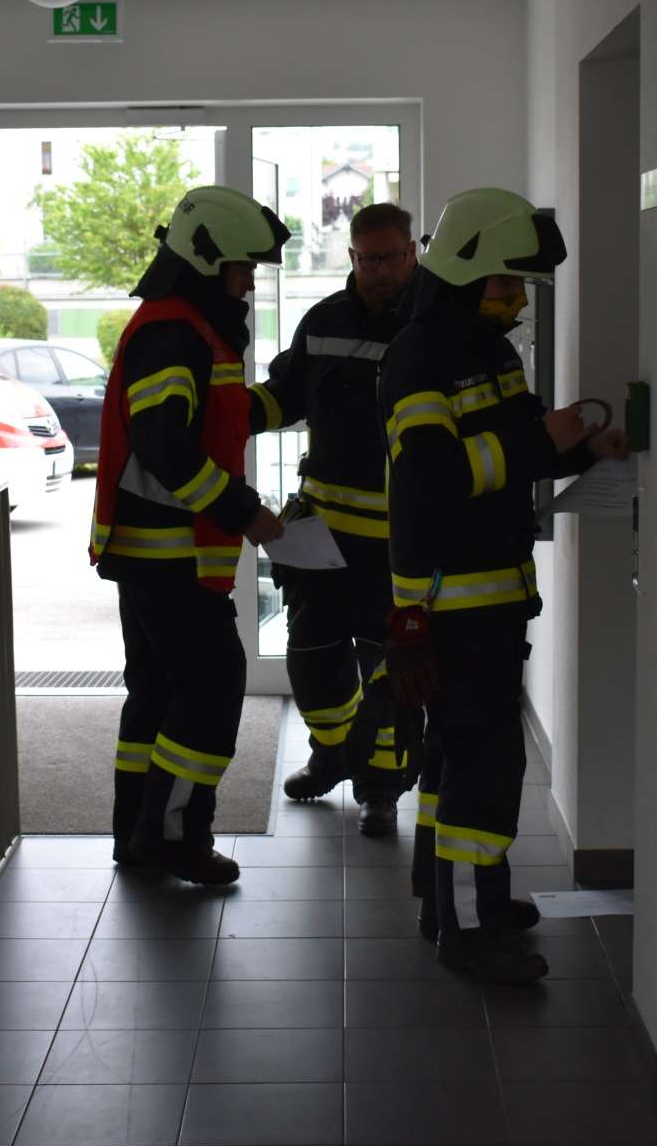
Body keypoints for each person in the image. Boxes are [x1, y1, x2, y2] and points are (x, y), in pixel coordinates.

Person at [381, 188, 626, 983]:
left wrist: (583, 447)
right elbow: (435, 475)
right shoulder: (418, 358)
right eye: (506, 282)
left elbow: (521, 451)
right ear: (464, 272)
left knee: (460, 757)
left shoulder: (490, 353)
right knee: (486, 766)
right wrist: (537, 439)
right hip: (452, 601)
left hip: (489, 594)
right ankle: (470, 929)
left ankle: (451, 899)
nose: (518, 298)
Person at [91, 187, 290, 885]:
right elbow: (165, 448)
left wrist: (298, 389)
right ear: (208, 261)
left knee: (157, 693)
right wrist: (245, 512)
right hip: (168, 558)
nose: (249, 282)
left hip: (155, 558)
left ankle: (137, 835)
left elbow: (220, 417)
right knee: (210, 688)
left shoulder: (187, 328)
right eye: (243, 268)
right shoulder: (174, 333)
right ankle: (174, 837)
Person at [251, 203, 422, 835]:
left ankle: (380, 788)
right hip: (321, 535)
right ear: (352, 257)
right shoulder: (322, 321)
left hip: (398, 543)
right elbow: (286, 395)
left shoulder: (430, 325)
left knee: (388, 670)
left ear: (412, 252)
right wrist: (232, 412)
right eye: (369, 259)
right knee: (312, 658)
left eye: (393, 257)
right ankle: (330, 757)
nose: (381, 271)